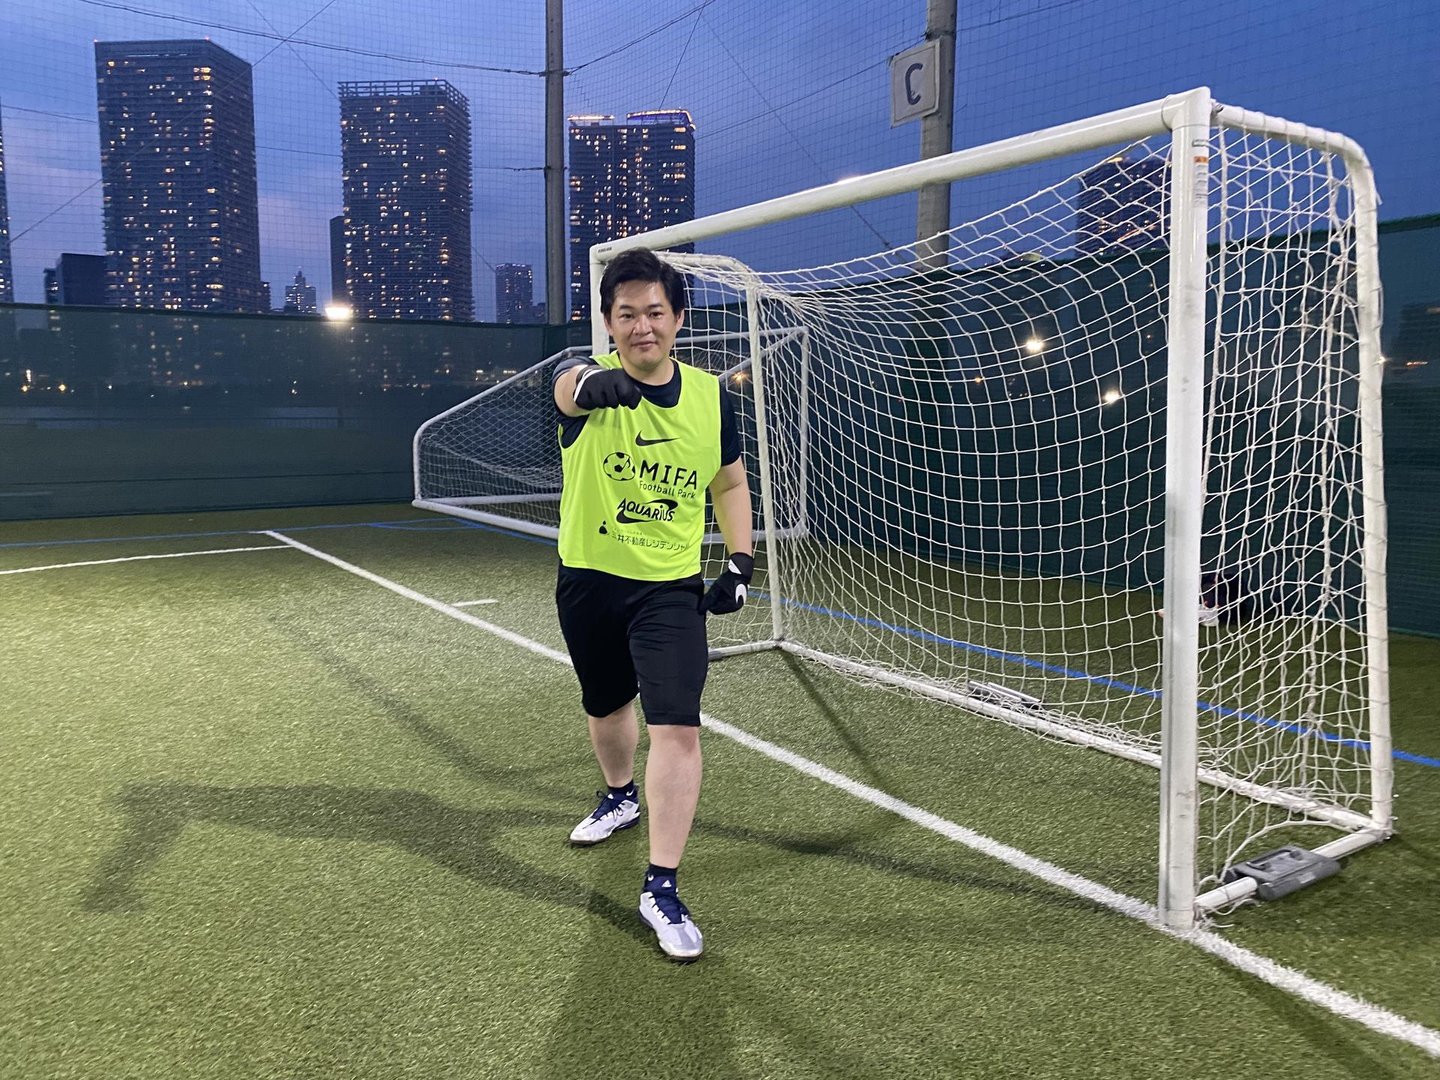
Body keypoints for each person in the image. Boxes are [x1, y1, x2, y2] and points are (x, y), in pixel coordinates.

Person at [551, 248, 754, 961]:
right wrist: (590, 384)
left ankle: (661, 886)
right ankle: (619, 795)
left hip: (669, 590)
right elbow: (566, 389)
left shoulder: (709, 396)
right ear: (609, 323)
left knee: (677, 726)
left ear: (679, 319)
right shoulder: (590, 379)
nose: (643, 326)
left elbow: (730, 482)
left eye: (655, 312)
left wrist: (740, 561)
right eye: (627, 314)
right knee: (606, 706)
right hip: (588, 581)